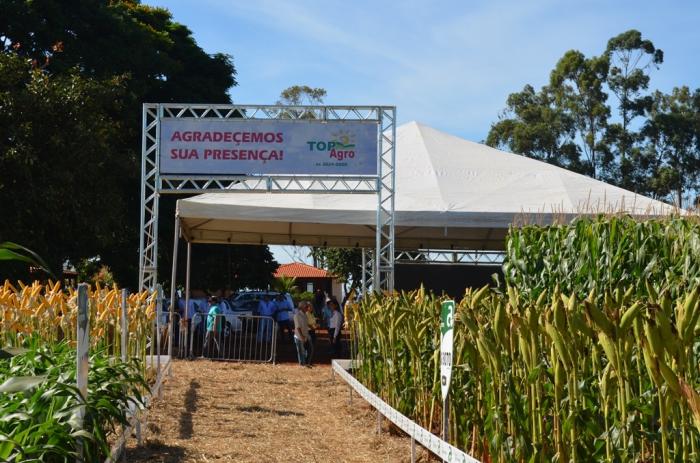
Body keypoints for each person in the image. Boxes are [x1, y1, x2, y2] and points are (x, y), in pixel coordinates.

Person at [293, 301, 311, 367]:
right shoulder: (297, 315)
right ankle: (302, 365)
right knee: (301, 352)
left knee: (306, 351)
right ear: (302, 307)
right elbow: (298, 327)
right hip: (299, 337)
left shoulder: (305, 315)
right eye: (306, 307)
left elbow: (305, 325)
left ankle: (305, 364)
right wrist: (302, 336)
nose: (307, 308)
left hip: (305, 336)